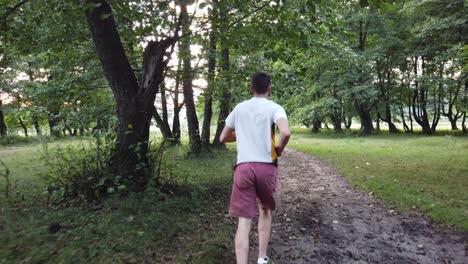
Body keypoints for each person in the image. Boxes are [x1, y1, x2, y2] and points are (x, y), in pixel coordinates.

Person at [220, 72, 291, 264]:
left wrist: (241, 135)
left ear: (251, 88)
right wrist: (279, 149)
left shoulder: (239, 108)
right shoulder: (275, 108)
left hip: (243, 168)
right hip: (267, 168)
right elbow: (285, 132)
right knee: (265, 210)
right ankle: (262, 258)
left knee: (243, 221)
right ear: (269, 88)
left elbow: (222, 137)